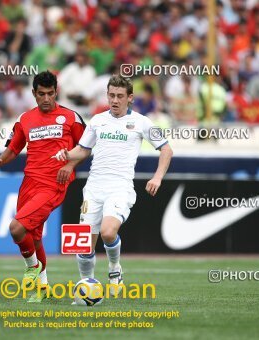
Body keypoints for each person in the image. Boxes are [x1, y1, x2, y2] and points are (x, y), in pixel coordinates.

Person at [53, 75, 173, 297]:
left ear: (130, 98)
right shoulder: (97, 121)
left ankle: (114, 268)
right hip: (93, 187)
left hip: (120, 188)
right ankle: (86, 287)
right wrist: (67, 155)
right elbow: (83, 150)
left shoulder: (141, 122)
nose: (114, 100)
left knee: (108, 232)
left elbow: (166, 149)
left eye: (119, 96)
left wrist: (157, 178)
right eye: (111, 95)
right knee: (84, 245)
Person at [0, 71, 86, 302]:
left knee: (16, 228)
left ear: (56, 92)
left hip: (54, 183)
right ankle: (42, 288)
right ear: (34, 94)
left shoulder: (71, 118)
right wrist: (0, 159)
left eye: (51, 94)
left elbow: (86, 148)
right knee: (33, 235)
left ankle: (32, 267)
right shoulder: (24, 120)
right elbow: (13, 148)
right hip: (29, 181)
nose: (47, 99)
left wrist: (70, 166)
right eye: (42, 94)